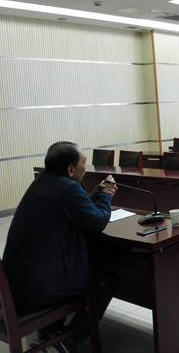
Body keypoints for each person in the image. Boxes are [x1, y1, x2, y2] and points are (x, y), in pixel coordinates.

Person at [3, 142, 118, 350]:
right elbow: (97, 222)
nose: (86, 168)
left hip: (17, 283)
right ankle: (68, 341)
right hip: (41, 287)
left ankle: (49, 332)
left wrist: (94, 194)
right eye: (83, 164)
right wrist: (106, 195)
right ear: (71, 169)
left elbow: (71, 209)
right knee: (106, 279)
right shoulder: (69, 188)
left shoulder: (41, 181)